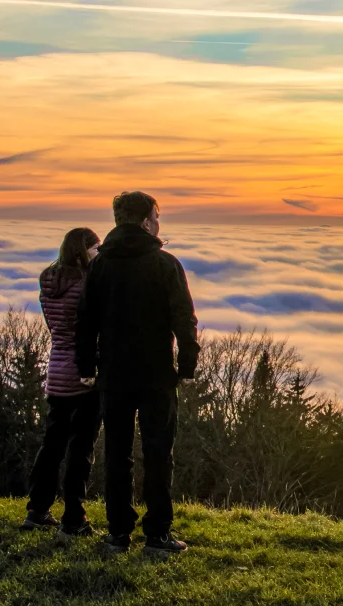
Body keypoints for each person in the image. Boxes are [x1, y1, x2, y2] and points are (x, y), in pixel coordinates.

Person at [77, 191, 199, 555]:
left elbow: (85, 321)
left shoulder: (100, 266)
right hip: (156, 373)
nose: (159, 223)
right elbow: (184, 318)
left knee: (117, 452)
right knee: (159, 453)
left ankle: (117, 534)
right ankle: (157, 535)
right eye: (157, 217)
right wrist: (188, 366)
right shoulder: (165, 264)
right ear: (146, 222)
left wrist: (86, 366)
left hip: (112, 374)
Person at [21, 228, 103, 538]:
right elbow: (85, 329)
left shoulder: (49, 280)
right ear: (84, 252)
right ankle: (74, 515)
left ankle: (37, 509)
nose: (101, 254)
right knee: (81, 447)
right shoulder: (85, 284)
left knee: (52, 443)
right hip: (83, 372)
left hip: (56, 371)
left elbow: (58, 328)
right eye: (98, 248)